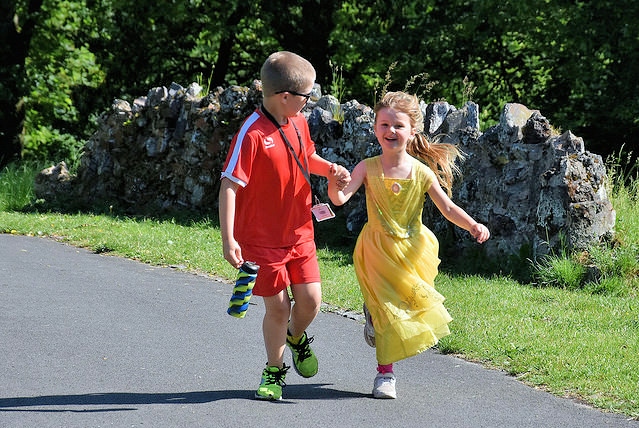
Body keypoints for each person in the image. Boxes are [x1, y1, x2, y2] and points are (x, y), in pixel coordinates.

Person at [327, 91, 490, 399]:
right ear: (375, 128)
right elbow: (340, 199)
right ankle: (385, 376)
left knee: (402, 309)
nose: (391, 131)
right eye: (384, 124)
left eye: (398, 126)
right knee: (387, 312)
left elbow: (447, 208)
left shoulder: (421, 172)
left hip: (411, 250)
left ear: (412, 131)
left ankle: (374, 317)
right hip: (376, 251)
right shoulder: (367, 167)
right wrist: (332, 184)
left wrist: (472, 224)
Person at [219, 51, 350, 401]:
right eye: (306, 96)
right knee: (277, 307)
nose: (309, 103)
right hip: (261, 241)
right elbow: (229, 185)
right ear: (285, 96)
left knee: (310, 302)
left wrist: (331, 169)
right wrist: (229, 239)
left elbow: (306, 156)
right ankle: (274, 372)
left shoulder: (299, 123)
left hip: (300, 233)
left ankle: (296, 336)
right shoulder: (251, 132)